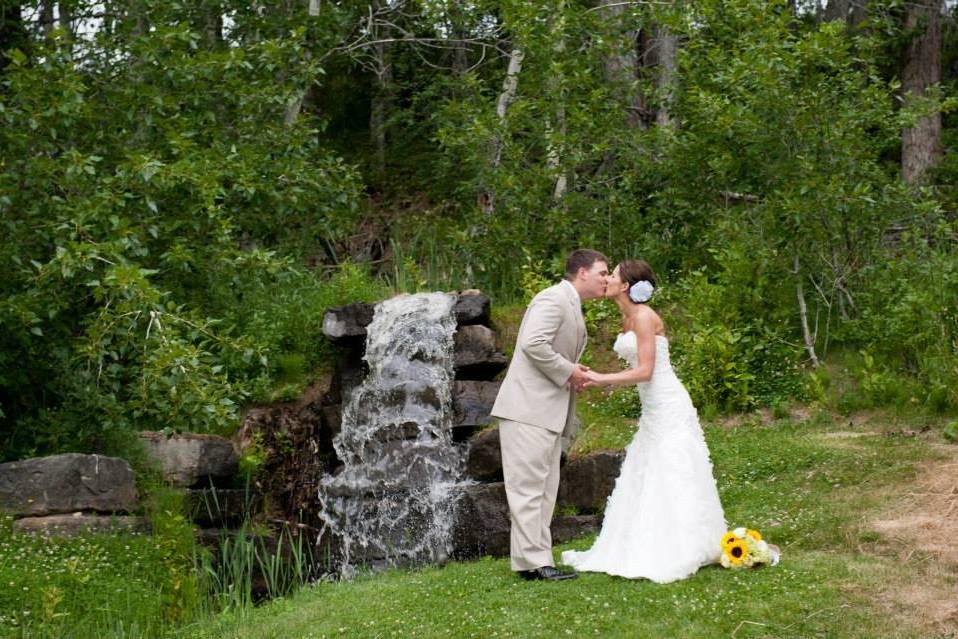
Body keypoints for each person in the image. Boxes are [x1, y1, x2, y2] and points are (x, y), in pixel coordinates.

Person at [560, 259, 726, 583]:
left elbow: (646, 371)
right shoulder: (627, 318)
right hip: (652, 408)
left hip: (669, 403)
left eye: (613, 274)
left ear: (625, 286)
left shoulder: (645, 317)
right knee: (649, 467)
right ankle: (649, 538)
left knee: (673, 467)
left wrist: (602, 378)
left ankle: (684, 545)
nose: (606, 279)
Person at [491, 249, 609, 581]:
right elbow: (533, 344)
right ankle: (535, 563)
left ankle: (534, 562)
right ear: (582, 272)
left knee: (543, 490)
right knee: (528, 489)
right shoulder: (553, 299)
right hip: (527, 409)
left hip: (544, 410)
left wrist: (571, 373)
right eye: (602, 272)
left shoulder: (570, 304)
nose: (606, 279)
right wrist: (569, 371)